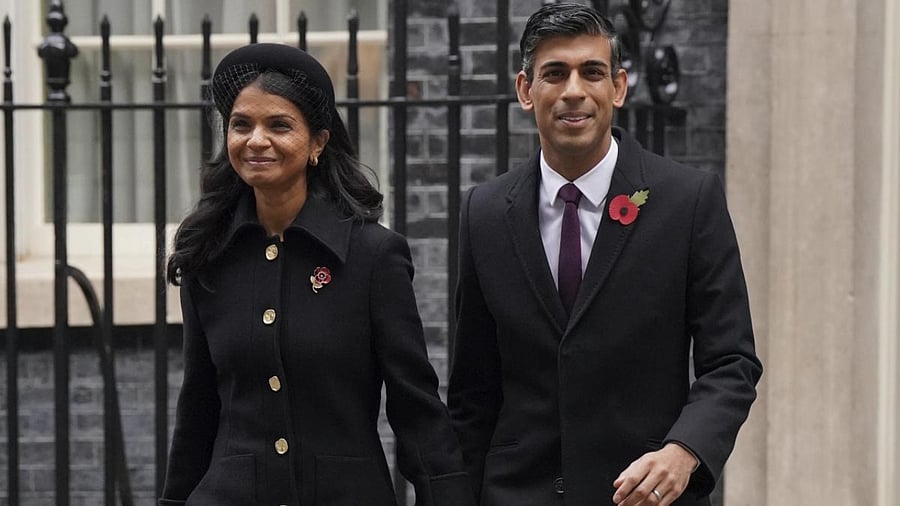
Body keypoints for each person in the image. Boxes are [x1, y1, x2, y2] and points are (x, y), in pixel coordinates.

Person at [447, 4, 763, 506]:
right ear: (526, 90)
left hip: (643, 496)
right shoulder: (483, 213)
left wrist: (683, 451)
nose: (574, 90)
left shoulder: (688, 201)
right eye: (555, 73)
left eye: (591, 72)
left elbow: (731, 362)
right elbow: (473, 393)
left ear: (618, 87)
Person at [160, 43, 474, 506]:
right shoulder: (207, 255)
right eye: (241, 125)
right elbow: (198, 407)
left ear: (318, 143)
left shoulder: (372, 256)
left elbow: (415, 407)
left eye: (279, 125)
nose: (256, 140)